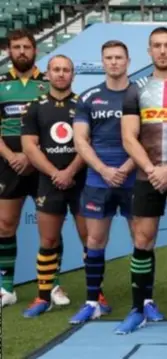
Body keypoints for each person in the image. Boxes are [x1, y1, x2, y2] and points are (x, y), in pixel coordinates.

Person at [116, 26, 167, 334]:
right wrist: (153, 170)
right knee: (142, 240)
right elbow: (128, 137)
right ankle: (139, 308)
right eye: (157, 46)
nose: (163, 51)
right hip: (146, 175)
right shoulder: (135, 89)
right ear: (149, 52)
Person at [69, 40, 136, 324]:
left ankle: (144, 303)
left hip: (134, 177)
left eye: (118, 57)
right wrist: (104, 169)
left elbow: (147, 139)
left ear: (128, 61)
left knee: (142, 241)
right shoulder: (88, 97)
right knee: (95, 240)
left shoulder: (139, 94)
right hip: (98, 179)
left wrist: (125, 166)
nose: (113, 62)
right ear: (102, 61)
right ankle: (92, 302)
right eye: (108, 58)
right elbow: (80, 141)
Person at [20, 55, 88, 318]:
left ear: (73, 74)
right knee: (47, 241)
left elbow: (87, 144)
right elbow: (29, 147)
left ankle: (96, 294)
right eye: (56, 69)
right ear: (47, 74)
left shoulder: (83, 104)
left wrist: (70, 171)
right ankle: (43, 296)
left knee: (90, 241)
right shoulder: (35, 107)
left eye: (66, 70)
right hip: (48, 183)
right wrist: (55, 173)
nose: (61, 74)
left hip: (81, 180)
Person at [0, 29, 57, 308]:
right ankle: (5, 287)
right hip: (7, 163)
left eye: (26, 47)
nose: (21, 51)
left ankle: (52, 284)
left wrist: (29, 155)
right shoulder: (0, 84)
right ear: (9, 51)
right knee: (5, 225)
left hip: (42, 163)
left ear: (35, 50)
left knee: (50, 228)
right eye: (16, 47)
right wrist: (12, 156)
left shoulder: (48, 83)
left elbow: (59, 129)